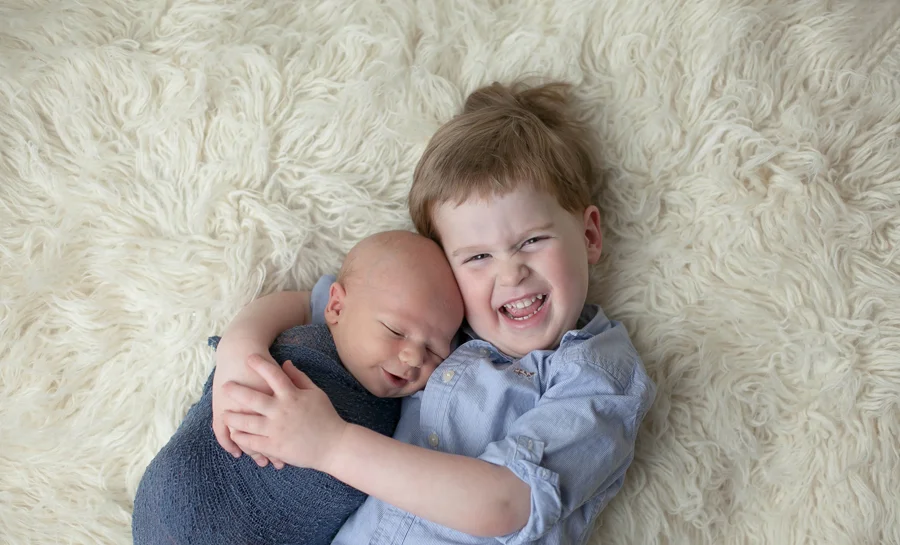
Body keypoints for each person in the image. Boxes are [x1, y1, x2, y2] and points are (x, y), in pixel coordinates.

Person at [213, 80, 657, 544]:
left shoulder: (596, 373)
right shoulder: (437, 323)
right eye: (478, 257)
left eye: (532, 241)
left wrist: (332, 445)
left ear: (589, 236)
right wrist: (238, 355)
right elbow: (313, 302)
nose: (511, 274)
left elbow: (506, 503)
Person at [131, 231, 464, 545]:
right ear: (336, 307)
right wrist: (239, 350)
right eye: (395, 330)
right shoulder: (315, 322)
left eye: (434, 350)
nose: (414, 357)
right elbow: (274, 309)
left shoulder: (414, 408)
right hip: (186, 485)